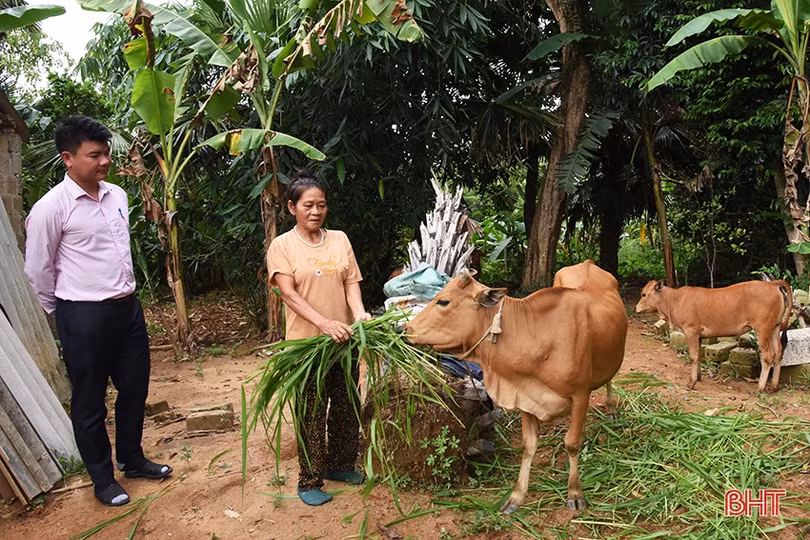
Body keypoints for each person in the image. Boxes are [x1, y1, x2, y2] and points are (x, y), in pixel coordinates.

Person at [24, 116, 171, 507]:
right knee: (89, 401)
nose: (105, 161)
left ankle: (132, 458)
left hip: (127, 310)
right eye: (95, 155)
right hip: (83, 316)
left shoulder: (117, 195)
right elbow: (38, 269)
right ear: (68, 158)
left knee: (135, 387)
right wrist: (63, 315)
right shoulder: (50, 208)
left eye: (107, 153)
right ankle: (103, 479)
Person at [266, 171, 371, 506]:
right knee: (311, 410)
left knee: (346, 403)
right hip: (307, 344)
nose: (315, 211)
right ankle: (309, 479)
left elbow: (350, 282)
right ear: (291, 207)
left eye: (321, 205)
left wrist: (360, 315)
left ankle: (341, 464)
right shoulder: (282, 246)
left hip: (344, 339)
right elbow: (288, 294)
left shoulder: (339, 240)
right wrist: (325, 323)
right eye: (308, 205)